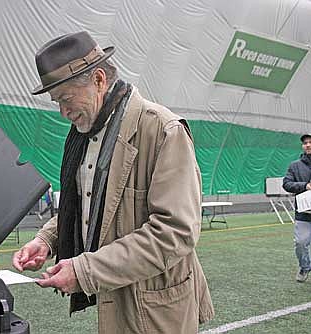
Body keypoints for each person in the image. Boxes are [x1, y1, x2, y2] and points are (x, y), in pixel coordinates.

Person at [12, 31, 214, 333]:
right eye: (57, 102)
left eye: (66, 99)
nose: (63, 112)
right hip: (118, 297)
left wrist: (84, 270)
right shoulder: (85, 133)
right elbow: (87, 202)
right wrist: (47, 239)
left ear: (98, 79)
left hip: (157, 310)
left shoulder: (162, 130)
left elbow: (175, 232)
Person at [283, 133, 311, 283]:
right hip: (304, 214)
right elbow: (286, 184)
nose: (307, 145)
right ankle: (305, 267)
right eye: (305, 143)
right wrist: (305, 186)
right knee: (300, 243)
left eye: (310, 142)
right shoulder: (295, 166)